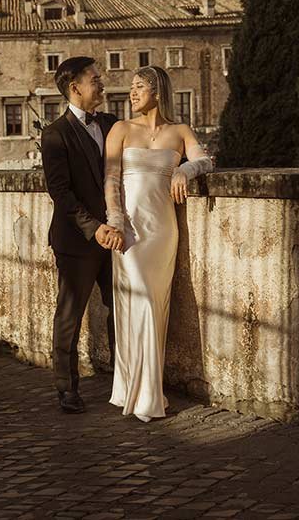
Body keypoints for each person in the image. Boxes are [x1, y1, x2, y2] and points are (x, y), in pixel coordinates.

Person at [104, 65, 213, 422]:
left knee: (155, 304)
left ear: (157, 91)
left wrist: (184, 170)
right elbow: (111, 180)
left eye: (139, 87)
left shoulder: (180, 131)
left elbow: (205, 160)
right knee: (140, 303)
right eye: (132, 87)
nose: (132, 92)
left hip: (162, 231)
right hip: (130, 230)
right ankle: (138, 390)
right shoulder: (120, 129)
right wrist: (116, 221)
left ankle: (148, 391)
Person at [41, 56, 123, 413]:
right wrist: (95, 229)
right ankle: (67, 389)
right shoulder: (55, 134)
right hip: (78, 240)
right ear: (75, 88)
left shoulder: (112, 124)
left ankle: (125, 381)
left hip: (119, 236)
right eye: (95, 79)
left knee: (122, 310)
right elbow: (60, 192)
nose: (102, 83)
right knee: (70, 316)